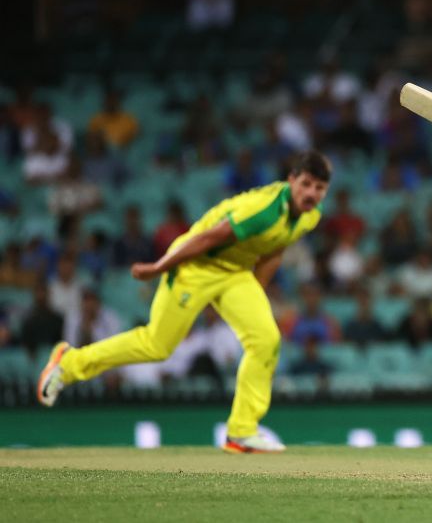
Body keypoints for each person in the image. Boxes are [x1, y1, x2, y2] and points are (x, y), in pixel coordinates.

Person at [37, 151, 332, 454]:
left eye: (319, 188)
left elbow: (275, 250)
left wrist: (252, 297)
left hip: (235, 273)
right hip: (195, 265)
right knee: (157, 345)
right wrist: (160, 267)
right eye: (306, 184)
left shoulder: (311, 215)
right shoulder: (264, 209)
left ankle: (242, 431)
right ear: (292, 180)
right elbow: (207, 237)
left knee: (266, 339)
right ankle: (68, 364)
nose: (311, 193)